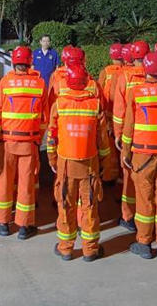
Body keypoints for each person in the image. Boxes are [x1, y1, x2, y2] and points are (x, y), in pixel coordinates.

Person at [47, 64, 112, 261]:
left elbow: (51, 137)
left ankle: (66, 248)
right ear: (86, 83)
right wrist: (104, 163)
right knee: (89, 205)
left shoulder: (58, 104)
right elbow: (103, 140)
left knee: (66, 205)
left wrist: (52, 160)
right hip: (90, 164)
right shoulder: (95, 105)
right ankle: (90, 249)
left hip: (66, 164)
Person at [121, 51, 157, 261]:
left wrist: (125, 152)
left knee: (145, 201)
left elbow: (128, 127)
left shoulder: (136, 92)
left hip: (142, 155)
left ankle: (144, 242)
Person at [0, 45, 47, 239]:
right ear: (30, 61)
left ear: (14, 61)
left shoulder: (5, 82)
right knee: (26, 183)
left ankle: (2, 223)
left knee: (4, 180)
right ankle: (24, 225)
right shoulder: (39, 84)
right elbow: (44, 116)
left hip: (7, 140)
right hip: (29, 141)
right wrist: (38, 138)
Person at [113, 40, 149, 231]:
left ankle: (128, 217)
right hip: (151, 138)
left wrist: (118, 134)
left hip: (130, 135)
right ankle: (146, 218)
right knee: (149, 181)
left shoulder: (124, 76)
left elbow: (119, 110)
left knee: (128, 176)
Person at [97, 43, 125, 183]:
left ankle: (109, 175)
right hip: (125, 118)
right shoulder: (129, 73)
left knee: (110, 148)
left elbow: (100, 94)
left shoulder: (106, 72)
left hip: (109, 115)